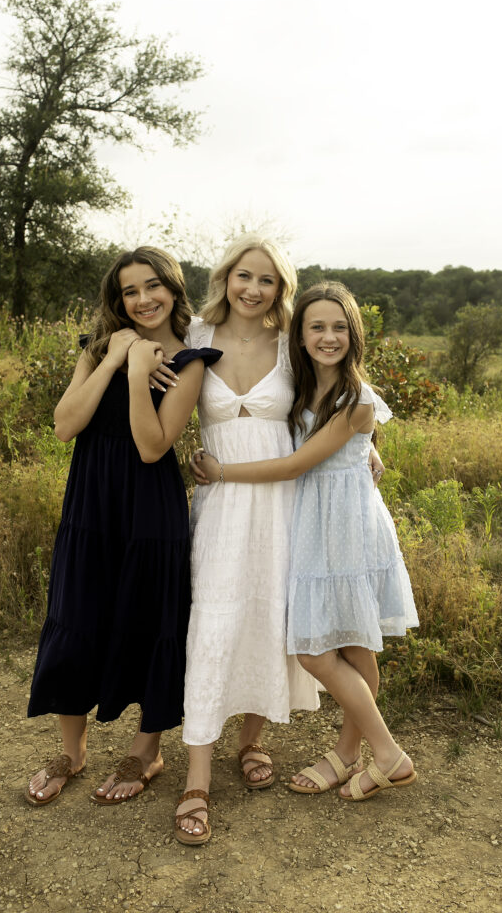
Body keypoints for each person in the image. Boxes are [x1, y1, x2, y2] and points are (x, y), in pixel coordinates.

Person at [194, 281, 418, 806]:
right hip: (315, 521)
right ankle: (346, 755)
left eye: (339, 327)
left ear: (354, 334)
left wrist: (222, 471)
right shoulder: (303, 384)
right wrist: (369, 454)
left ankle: (387, 755)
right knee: (352, 643)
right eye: (317, 326)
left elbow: (297, 462)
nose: (328, 336)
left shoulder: (355, 396)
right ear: (301, 333)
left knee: (315, 649)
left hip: (345, 529)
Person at [25, 246, 220, 806]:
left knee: (148, 620)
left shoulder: (190, 360)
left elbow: (153, 445)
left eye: (153, 286)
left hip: (149, 509)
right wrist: (112, 359)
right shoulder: (98, 347)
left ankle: (146, 751)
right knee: (76, 613)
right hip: (90, 504)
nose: (143, 299)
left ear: (173, 289)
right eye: (130, 291)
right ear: (118, 299)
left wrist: (138, 374)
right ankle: (73, 750)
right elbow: (65, 426)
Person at [172, 235, 321, 845]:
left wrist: (371, 454)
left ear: (280, 290)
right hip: (219, 499)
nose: (254, 290)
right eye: (244, 277)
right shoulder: (195, 336)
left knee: (269, 615)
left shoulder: (293, 345)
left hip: (281, 501)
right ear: (226, 278)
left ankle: (253, 740)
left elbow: (333, 404)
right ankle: (196, 778)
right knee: (212, 622)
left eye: (267, 281)